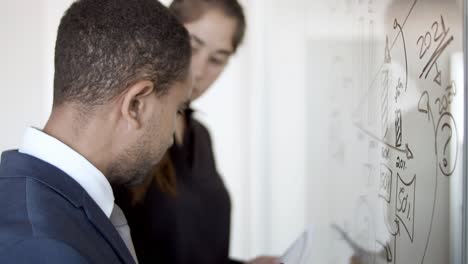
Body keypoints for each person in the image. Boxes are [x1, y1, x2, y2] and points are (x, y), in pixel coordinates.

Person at [0, 0, 192, 263]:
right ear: (136, 105)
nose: (172, 136)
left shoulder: (37, 205)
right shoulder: (44, 248)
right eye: (178, 109)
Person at [114, 0, 279, 264]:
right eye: (191, 46)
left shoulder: (200, 136)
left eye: (217, 59)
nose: (199, 71)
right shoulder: (125, 126)